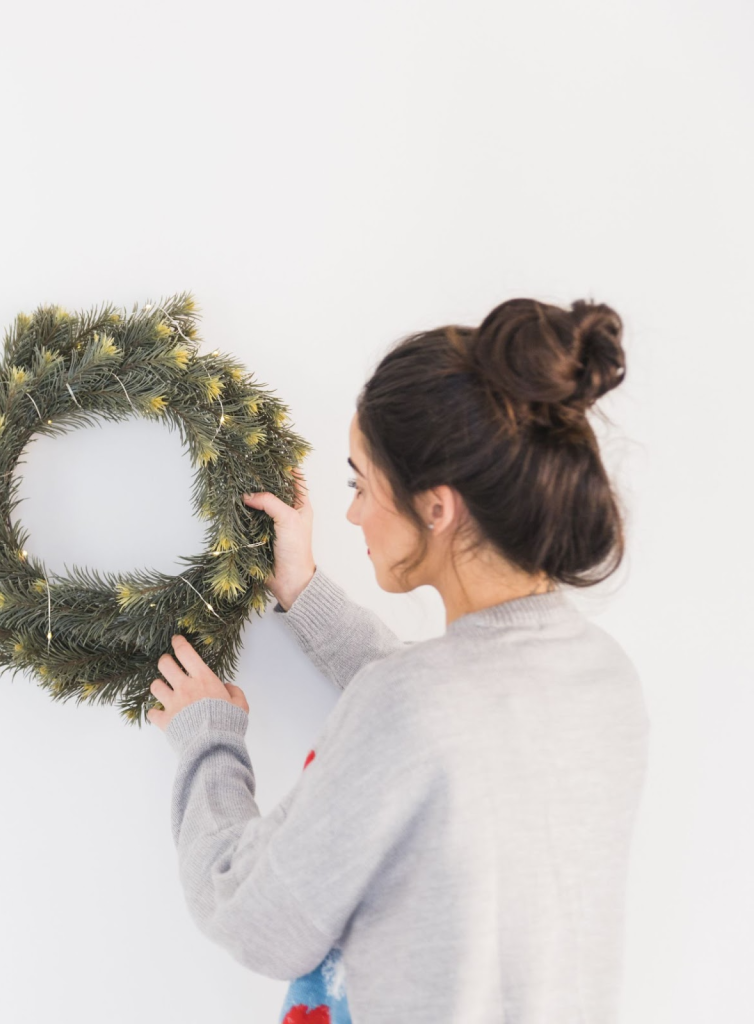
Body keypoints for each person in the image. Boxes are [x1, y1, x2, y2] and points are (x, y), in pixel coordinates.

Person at [149, 296, 650, 1023]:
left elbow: (252, 916)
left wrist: (208, 739)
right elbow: (447, 722)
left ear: (437, 508)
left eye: (359, 482)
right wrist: (303, 589)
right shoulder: (602, 676)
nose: (350, 513)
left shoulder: (413, 705)